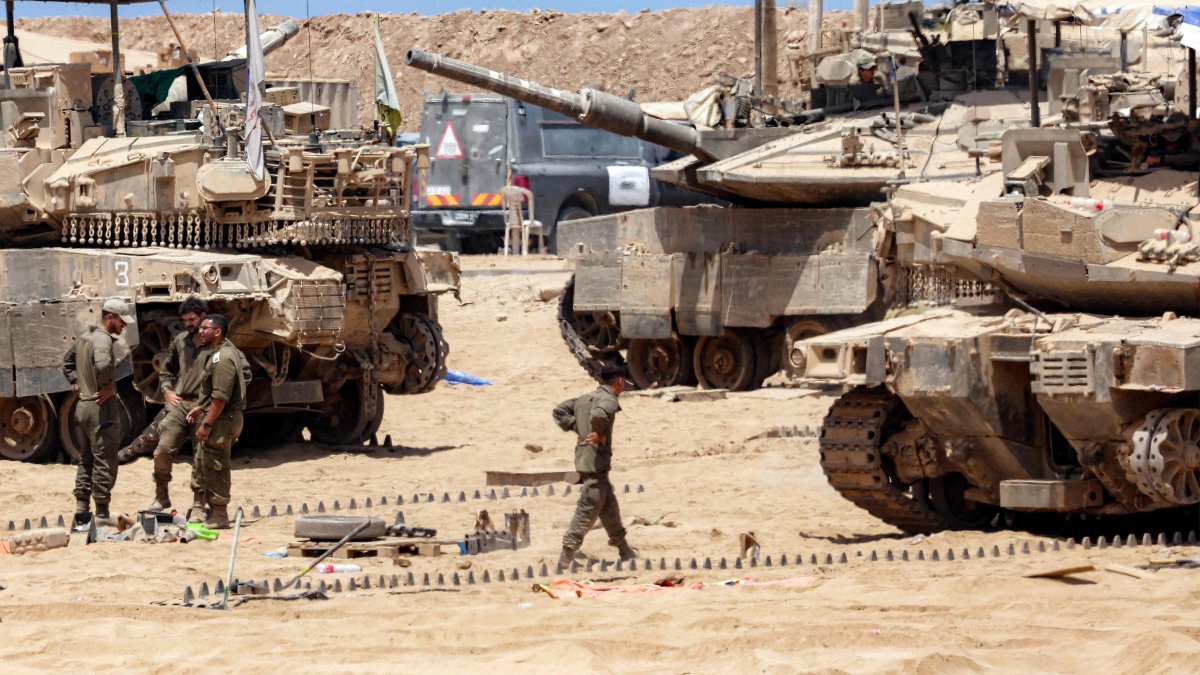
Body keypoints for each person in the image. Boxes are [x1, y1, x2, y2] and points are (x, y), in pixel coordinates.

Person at [117, 297, 211, 515]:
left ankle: (198, 504)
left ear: (202, 318)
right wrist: (167, 390)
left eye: (192, 319)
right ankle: (161, 498)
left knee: (201, 458)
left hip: (204, 405)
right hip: (181, 403)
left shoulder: (218, 344)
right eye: (185, 319)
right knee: (162, 450)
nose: (188, 323)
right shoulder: (180, 342)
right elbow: (166, 370)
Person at [552, 362, 638, 569]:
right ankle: (566, 556)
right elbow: (599, 415)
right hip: (595, 464)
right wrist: (598, 433)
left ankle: (624, 550)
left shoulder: (583, 399)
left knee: (609, 509)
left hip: (584, 461)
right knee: (587, 510)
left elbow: (559, 411)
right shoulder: (608, 400)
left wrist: (578, 427)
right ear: (619, 382)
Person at [62, 298, 135, 527]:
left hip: (82, 405)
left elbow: (67, 363)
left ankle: (82, 508)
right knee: (105, 458)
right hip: (99, 409)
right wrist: (107, 387)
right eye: (121, 321)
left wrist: (79, 383)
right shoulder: (103, 340)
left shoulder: (86, 337)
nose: (124, 326)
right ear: (110, 317)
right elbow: (103, 365)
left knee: (86, 458)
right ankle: (102, 512)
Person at [185, 314, 247, 529]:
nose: (200, 331)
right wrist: (200, 408)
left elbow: (220, 398)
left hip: (223, 420)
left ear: (217, 332)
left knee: (216, 463)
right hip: (218, 416)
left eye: (205, 328)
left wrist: (207, 424)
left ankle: (220, 515)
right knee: (203, 460)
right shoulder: (219, 353)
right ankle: (201, 508)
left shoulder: (223, 358)